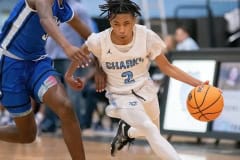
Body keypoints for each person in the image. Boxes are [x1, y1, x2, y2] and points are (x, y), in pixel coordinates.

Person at [65, 0, 209, 159]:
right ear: (110, 21)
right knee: (150, 130)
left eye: (126, 23)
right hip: (120, 95)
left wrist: (198, 83)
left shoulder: (147, 37)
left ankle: (127, 131)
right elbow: (81, 53)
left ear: (134, 20)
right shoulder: (99, 40)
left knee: (151, 130)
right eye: (116, 23)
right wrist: (69, 75)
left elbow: (167, 67)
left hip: (145, 90)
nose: (121, 29)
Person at [0, 0, 92, 159]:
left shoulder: (62, 6)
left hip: (37, 63)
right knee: (27, 135)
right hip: (10, 63)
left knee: (65, 106)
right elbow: (45, 19)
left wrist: (104, 57)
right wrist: (67, 46)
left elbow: (90, 36)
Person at [41, 0, 99, 132]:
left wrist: (90, 55)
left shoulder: (79, 9)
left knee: (73, 93)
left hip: (70, 58)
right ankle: (50, 123)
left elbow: (90, 34)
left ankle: (75, 124)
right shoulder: (51, 7)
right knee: (50, 91)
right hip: (51, 56)